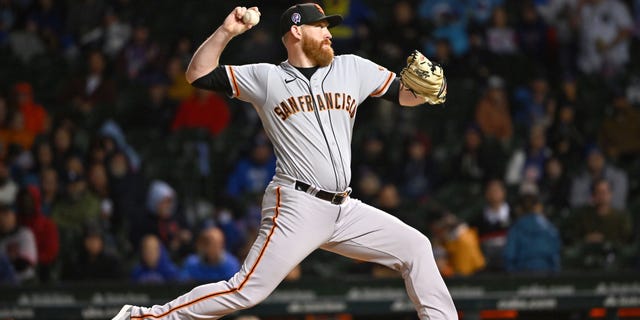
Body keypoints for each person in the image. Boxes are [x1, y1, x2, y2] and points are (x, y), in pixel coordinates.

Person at [112, 4, 456, 320]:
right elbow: (198, 75)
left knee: (416, 248)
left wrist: (424, 93)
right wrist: (227, 31)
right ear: (296, 31)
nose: (329, 33)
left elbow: (403, 94)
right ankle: (143, 317)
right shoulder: (267, 78)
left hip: (344, 208)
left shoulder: (353, 68)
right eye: (320, 27)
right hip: (297, 204)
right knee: (245, 290)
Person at [503, 191, 561, 273]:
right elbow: (555, 256)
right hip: (547, 275)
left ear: (519, 209)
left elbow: (509, 256)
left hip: (521, 275)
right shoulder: (550, 228)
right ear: (538, 207)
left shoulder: (515, 229)